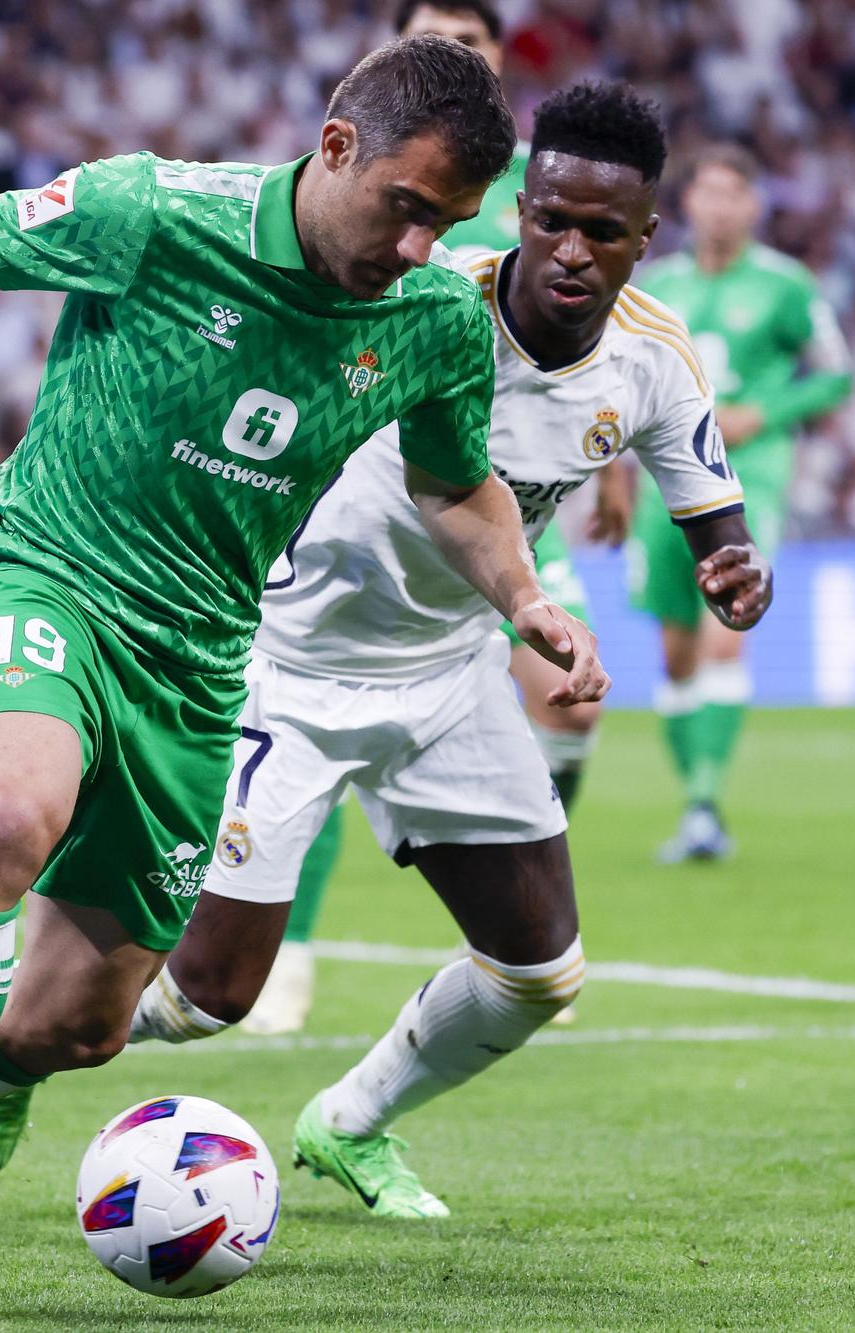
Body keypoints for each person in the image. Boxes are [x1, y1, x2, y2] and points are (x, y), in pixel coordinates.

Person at [0, 36, 598, 1309]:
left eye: (449, 222)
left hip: (197, 671)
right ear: (335, 148)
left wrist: (522, 594)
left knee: (76, 1026)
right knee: (10, 810)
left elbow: (453, 481)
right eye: (406, 208)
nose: (420, 245)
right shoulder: (150, 211)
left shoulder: (429, 323)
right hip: (46, 583)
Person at [0, 80, 772, 1220]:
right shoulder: (418, 298)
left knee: (540, 971)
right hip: (279, 671)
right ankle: (16, 1052)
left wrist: (734, 572)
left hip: (446, 676)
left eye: (603, 232)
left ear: (648, 239)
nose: (571, 250)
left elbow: (715, 525)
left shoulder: (654, 359)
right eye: (550, 219)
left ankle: (347, 1123)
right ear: (520, 209)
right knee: (201, 999)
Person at [242, 0, 616, 1036]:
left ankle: (513, 908)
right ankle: (290, 947)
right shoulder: (365, 187)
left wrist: (618, 465)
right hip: (373, 506)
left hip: (506, 505)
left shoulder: (521, 204)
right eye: (435, 44)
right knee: (311, 721)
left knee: (571, 702)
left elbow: (592, 352)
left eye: (471, 48)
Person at [629, 145, 853, 861]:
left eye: (735, 193)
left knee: (726, 628)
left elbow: (835, 375)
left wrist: (764, 412)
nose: (720, 205)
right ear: (686, 203)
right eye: (708, 192)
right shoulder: (657, 285)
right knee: (675, 655)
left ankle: (703, 804)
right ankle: (693, 793)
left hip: (747, 475)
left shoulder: (787, 286)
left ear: (754, 206)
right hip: (664, 476)